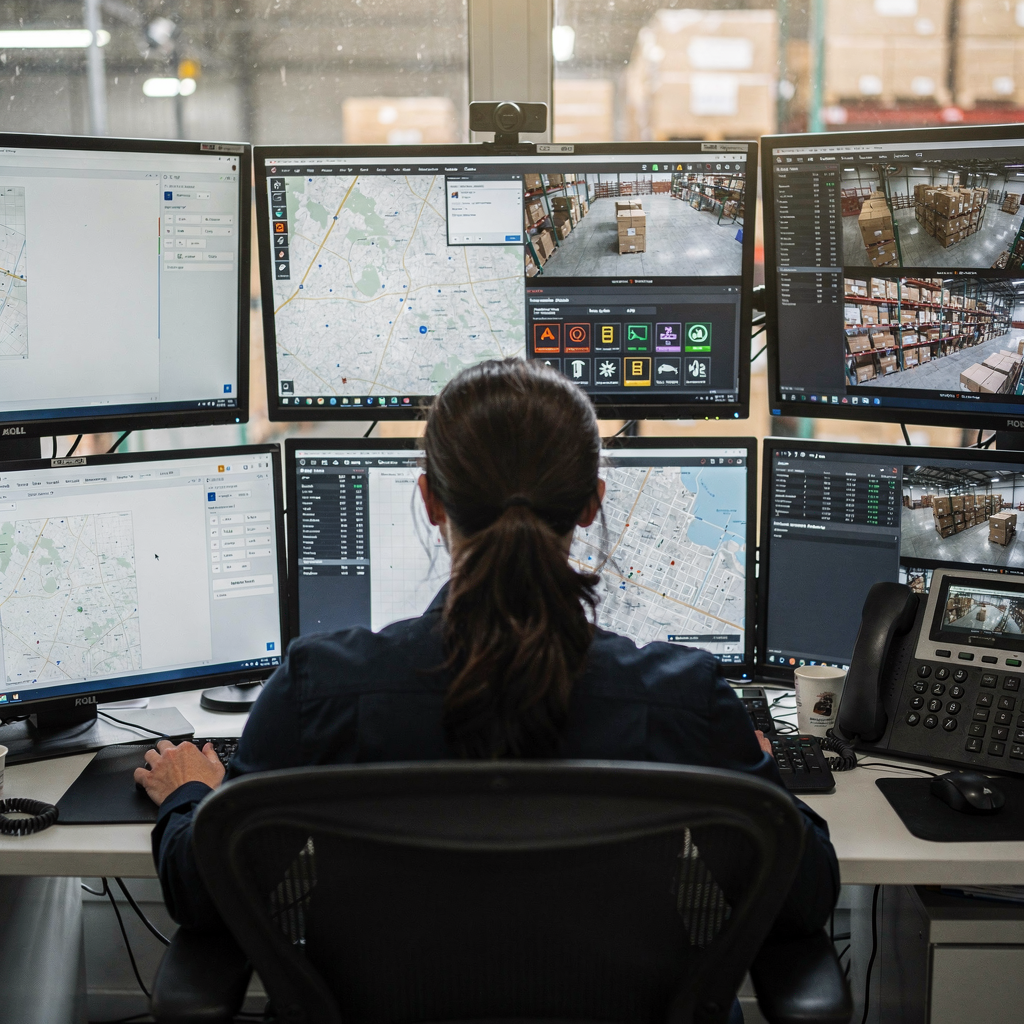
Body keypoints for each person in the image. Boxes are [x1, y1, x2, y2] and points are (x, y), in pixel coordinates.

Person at [140, 359, 839, 956]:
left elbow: (204, 896)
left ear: (432, 501)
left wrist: (190, 795)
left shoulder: (320, 687)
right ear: (594, 503)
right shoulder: (683, 697)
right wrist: (760, 782)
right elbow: (802, 899)